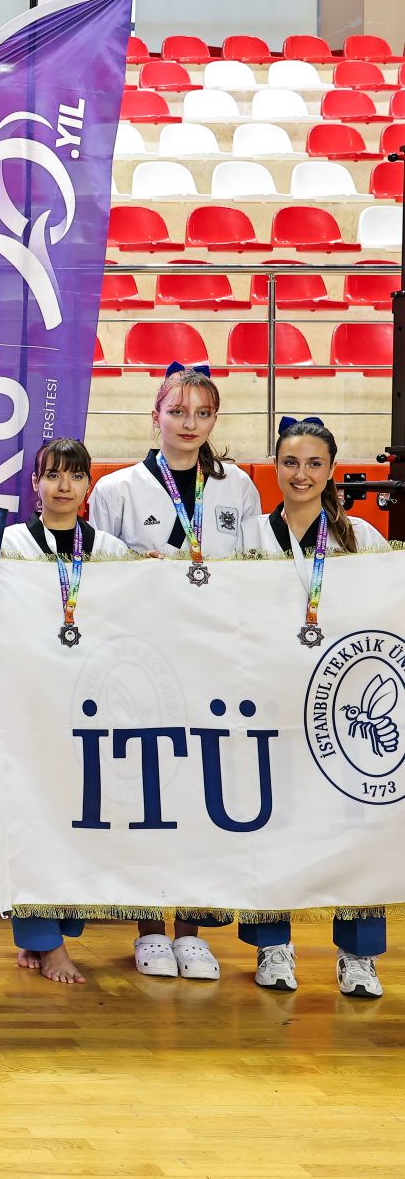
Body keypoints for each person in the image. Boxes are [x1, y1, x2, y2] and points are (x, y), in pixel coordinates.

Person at [88, 364, 259, 980]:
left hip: (212, 659)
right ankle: (147, 931)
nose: (190, 424)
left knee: (202, 793)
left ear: (214, 420)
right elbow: (95, 576)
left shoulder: (237, 486)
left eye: (203, 413)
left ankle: (190, 931)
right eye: (178, 411)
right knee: (145, 793)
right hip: (144, 662)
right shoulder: (117, 489)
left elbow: (253, 570)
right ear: (155, 414)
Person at [236, 418, 391, 998]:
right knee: (270, 824)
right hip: (269, 703)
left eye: (313, 464)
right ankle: (273, 946)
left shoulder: (362, 539)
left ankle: (358, 955)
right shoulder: (250, 535)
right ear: (275, 467)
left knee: (355, 829)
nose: (301, 475)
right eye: (290, 463)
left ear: (331, 470)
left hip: (340, 707)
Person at [0, 438, 133, 985]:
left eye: (75, 476)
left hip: (91, 702)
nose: (63, 486)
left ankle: (53, 935)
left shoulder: (111, 550)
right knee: (33, 816)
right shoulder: (10, 542)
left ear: (88, 486)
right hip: (30, 700)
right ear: (34, 482)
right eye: (52, 474)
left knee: (80, 820)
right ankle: (45, 942)